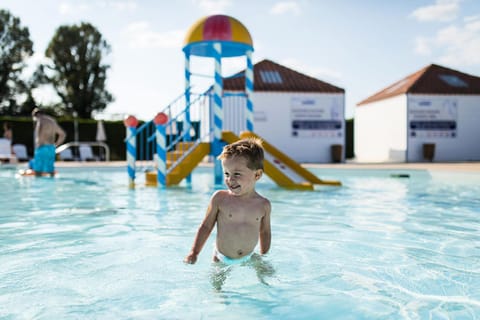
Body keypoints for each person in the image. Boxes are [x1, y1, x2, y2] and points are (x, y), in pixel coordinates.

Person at [184, 138, 272, 266]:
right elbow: (206, 227)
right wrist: (194, 252)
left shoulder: (263, 205)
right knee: (216, 285)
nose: (230, 179)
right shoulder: (220, 199)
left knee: (267, 279)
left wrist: (264, 256)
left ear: (257, 175)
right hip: (222, 257)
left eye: (236, 174)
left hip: (249, 256)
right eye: (226, 173)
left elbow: (265, 232)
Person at [29, 108, 66, 176]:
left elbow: (38, 133)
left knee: (38, 171)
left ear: (36, 115)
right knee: (51, 171)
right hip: (51, 148)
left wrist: (37, 144)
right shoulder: (52, 121)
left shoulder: (40, 120)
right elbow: (63, 134)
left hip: (41, 147)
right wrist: (56, 144)